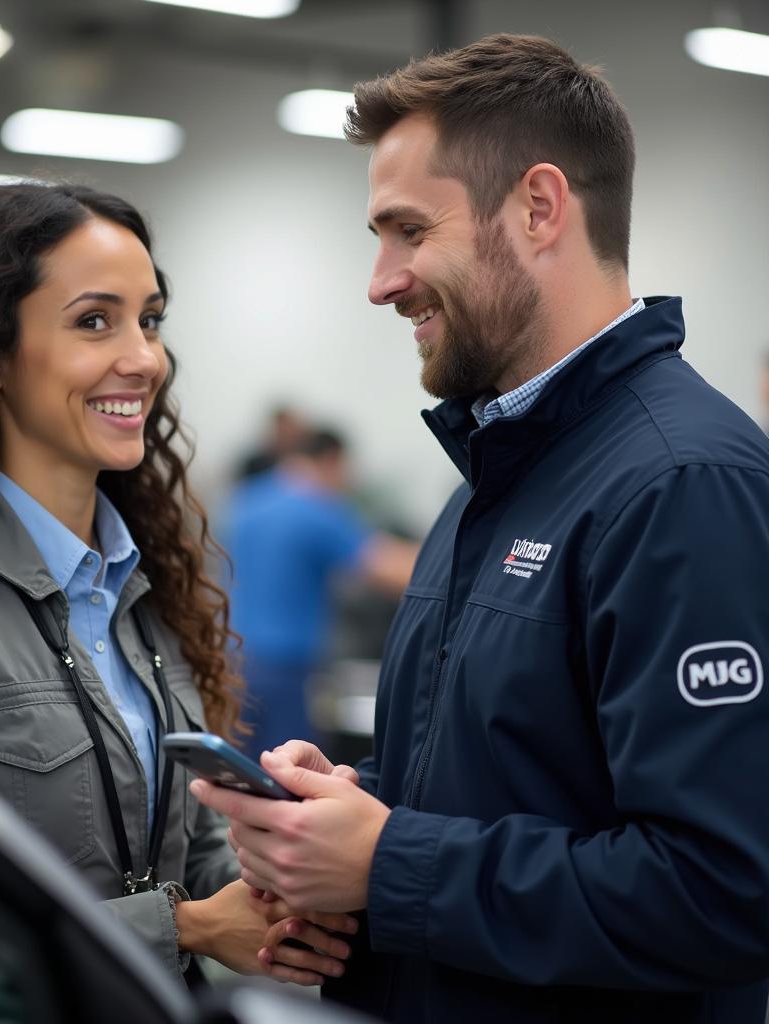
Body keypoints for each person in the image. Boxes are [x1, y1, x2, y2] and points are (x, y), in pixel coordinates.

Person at [193, 34, 769, 1023]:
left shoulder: (681, 484)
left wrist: (387, 860)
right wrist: (348, 808)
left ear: (539, 208)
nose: (380, 280)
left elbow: (722, 890)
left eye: (408, 230)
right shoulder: (491, 477)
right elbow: (515, 784)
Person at [0, 182, 356, 987]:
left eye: (149, 319)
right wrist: (183, 927)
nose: (143, 357)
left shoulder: (139, 594)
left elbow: (180, 856)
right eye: (95, 321)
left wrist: (283, 863)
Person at [223, 426, 416, 759]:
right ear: (332, 461)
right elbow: (392, 570)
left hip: (233, 665)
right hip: (286, 674)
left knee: (242, 781)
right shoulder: (316, 509)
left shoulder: (244, 501)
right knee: (290, 782)